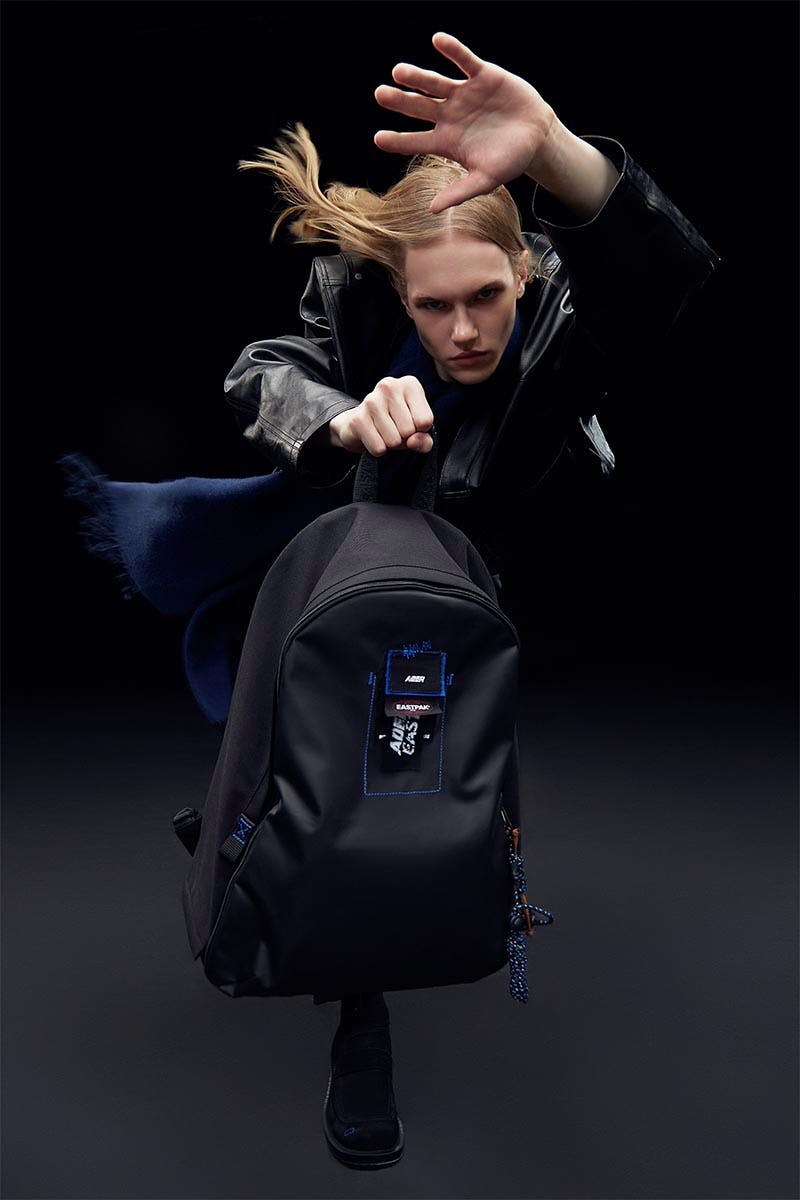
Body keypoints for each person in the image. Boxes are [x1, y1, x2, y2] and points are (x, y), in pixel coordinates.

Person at [217, 31, 720, 1169]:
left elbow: (663, 269)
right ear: (399, 288)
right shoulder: (356, 291)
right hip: (358, 558)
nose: (460, 332)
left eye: (485, 299)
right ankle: (354, 1004)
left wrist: (554, 148)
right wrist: (343, 417)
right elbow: (261, 372)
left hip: (487, 572)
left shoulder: (565, 315)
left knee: (434, 786)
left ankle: (424, 922)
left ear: (525, 274)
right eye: (434, 306)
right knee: (342, 775)